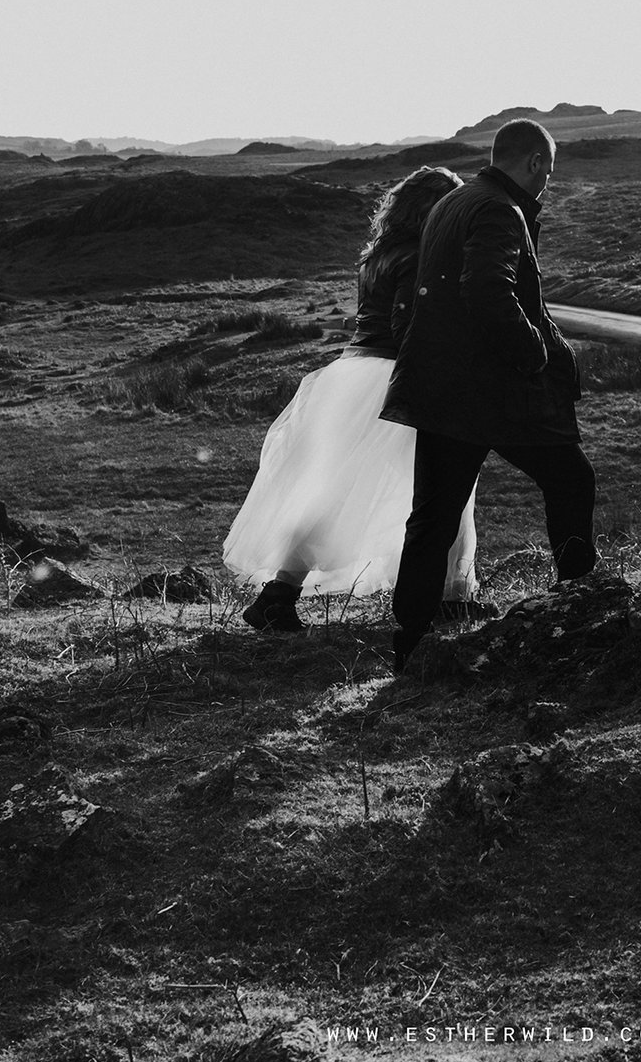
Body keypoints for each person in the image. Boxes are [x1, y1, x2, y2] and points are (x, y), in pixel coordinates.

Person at [223, 165, 481, 631]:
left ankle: (279, 592)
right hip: (395, 377)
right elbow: (410, 329)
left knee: (334, 493)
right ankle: (451, 596)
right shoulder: (423, 254)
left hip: (351, 374)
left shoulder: (376, 254)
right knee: (448, 485)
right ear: (436, 210)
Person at [380, 118, 596, 671]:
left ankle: (409, 645)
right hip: (491, 392)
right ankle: (581, 608)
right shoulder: (501, 210)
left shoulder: (454, 203)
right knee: (571, 478)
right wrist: (535, 353)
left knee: (432, 516)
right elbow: (488, 288)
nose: (548, 181)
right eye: (549, 170)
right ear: (536, 164)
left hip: (439, 388)